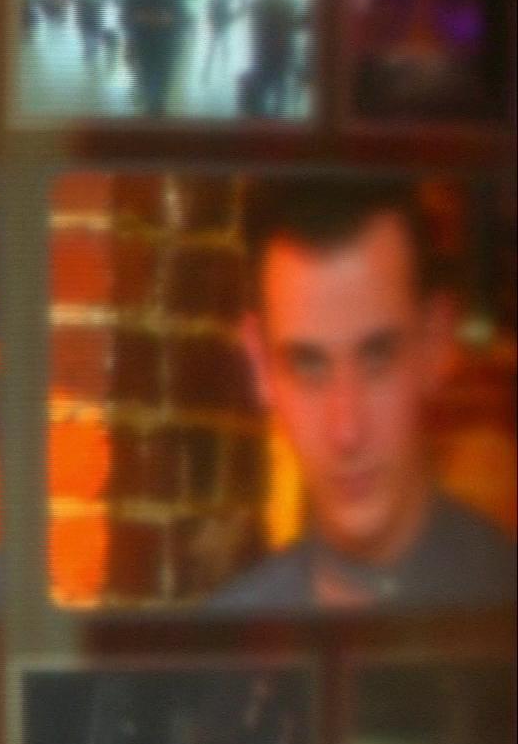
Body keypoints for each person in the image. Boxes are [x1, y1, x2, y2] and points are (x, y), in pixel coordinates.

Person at [214, 180, 514, 610]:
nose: (347, 432)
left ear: (435, 341)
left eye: (378, 359)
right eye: (309, 367)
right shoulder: (229, 638)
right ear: (260, 365)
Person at [120, 0, 185, 118]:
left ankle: (155, 108)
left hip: (156, 37)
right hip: (153, 38)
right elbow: (128, 13)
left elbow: (180, 13)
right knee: (154, 76)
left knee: (155, 76)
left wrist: (166, 19)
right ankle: (154, 109)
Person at [239, 0, 304, 119]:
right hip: (275, 54)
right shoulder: (282, 2)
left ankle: (262, 121)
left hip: (267, 54)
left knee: (269, 92)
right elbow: (288, 26)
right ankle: (270, 123)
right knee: (276, 92)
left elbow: (285, 25)